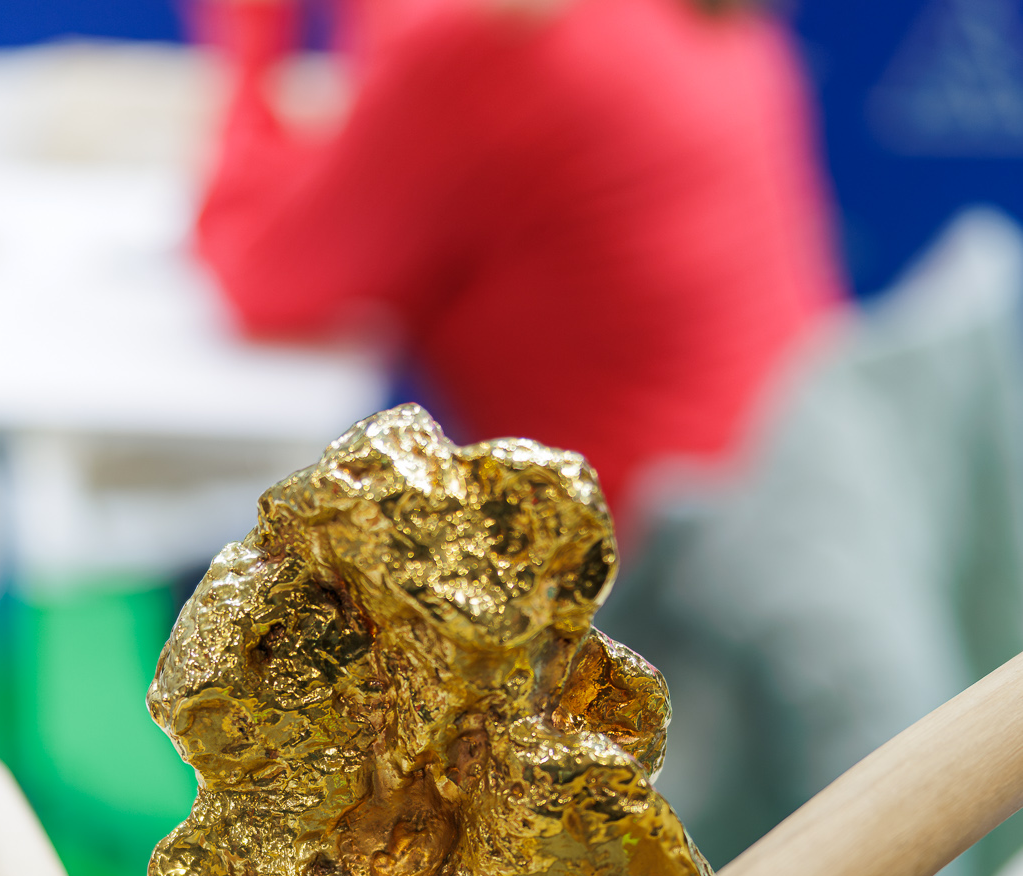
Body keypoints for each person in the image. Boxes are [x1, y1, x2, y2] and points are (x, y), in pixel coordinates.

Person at [196, 0, 845, 535]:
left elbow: (258, 271)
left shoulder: (495, 44)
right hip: (804, 515)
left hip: (649, 588)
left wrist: (251, 36)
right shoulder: (681, 18)